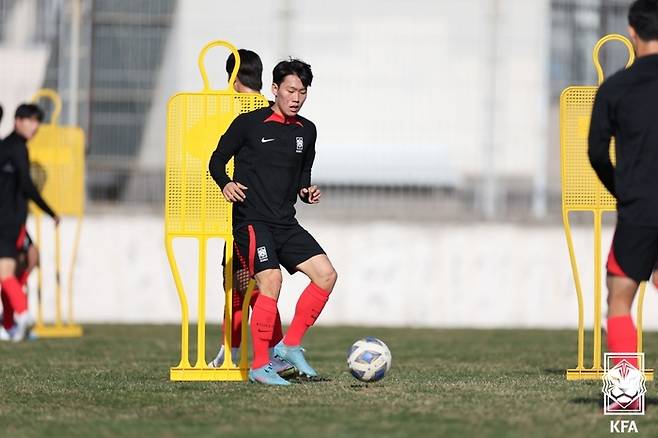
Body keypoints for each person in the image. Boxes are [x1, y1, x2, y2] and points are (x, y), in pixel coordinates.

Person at [209, 59, 337, 385]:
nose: (296, 97)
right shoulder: (249, 123)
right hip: (251, 222)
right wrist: (225, 182)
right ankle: (260, 366)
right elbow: (217, 159)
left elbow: (302, 176)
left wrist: (306, 191)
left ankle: (290, 345)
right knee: (271, 281)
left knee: (326, 275)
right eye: (291, 90)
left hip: (285, 223)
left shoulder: (306, 131)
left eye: (303, 92)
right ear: (275, 89)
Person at [208, 49, 290, 376]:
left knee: (250, 286)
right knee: (245, 285)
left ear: (233, 78)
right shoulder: (274, 111)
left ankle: (271, 351)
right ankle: (235, 350)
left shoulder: (236, 113)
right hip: (270, 214)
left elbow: (212, 156)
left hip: (246, 217)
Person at [588, 0, 658, 368]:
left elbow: (597, 153)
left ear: (632, 32)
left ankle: (626, 403)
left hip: (639, 211)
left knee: (618, 300)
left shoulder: (616, 88)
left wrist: (623, 191)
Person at [0, 104, 60, 341]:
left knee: (30, 258)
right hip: (6, 221)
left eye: (37, 122)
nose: (35, 127)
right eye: (30, 121)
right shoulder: (14, 148)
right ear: (18, 121)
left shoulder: (13, 147)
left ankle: (10, 321)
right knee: (5, 272)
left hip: (14, 221)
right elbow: (26, 184)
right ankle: (20, 316)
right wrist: (50, 212)